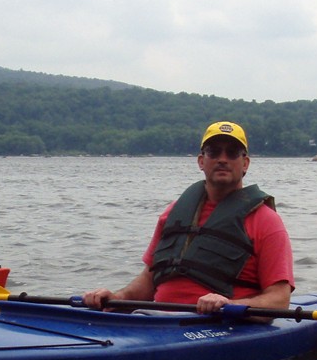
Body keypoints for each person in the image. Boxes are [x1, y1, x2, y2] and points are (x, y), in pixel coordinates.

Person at [82, 121, 294, 317]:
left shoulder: (266, 221)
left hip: (220, 324)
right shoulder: (174, 212)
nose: (222, 159)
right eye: (213, 152)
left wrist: (229, 304)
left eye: (232, 153)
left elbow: (279, 300)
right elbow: (150, 278)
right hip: (158, 320)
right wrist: (117, 299)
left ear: (245, 163)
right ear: (201, 161)